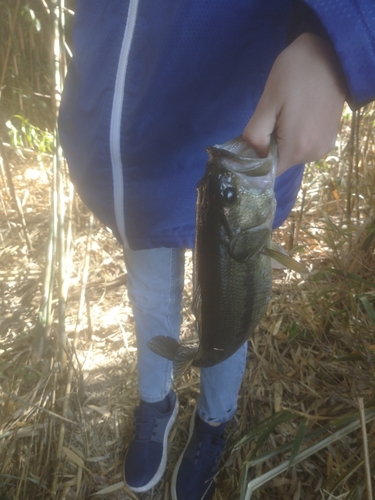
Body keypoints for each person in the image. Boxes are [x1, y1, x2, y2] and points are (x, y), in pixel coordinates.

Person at [59, 1, 375, 499]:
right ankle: (155, 402)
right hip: (128, 151)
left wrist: (339, 37)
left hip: (239, 112)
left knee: (228, 311)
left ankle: (214, 422)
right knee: (150, 296)